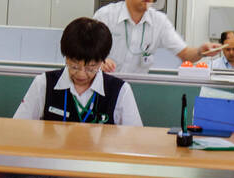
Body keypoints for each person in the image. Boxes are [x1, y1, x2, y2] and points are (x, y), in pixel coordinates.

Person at [94, 0, 219, 74]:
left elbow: (185, 54)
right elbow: (85, 52)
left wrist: (200, 51)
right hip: (104, 87)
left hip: (136, 91)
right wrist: (100, 61)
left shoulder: (159, 21)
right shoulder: (105, 16)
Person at [14, 17, 142, 126]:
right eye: (74, 66)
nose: (81, 74)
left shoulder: (120, 91)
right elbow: (19, 128)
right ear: (66, 56)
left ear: (102, 61)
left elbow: (134, 140)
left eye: (90, 68)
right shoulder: (44, 83)